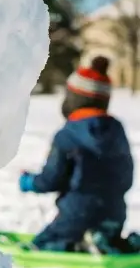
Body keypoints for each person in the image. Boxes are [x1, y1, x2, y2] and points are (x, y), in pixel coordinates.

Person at [20, 56, 134, 252]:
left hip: (76, 213)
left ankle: (74, 243)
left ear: (74, 99)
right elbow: (127, 175)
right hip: (115, 213)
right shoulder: (117, 130)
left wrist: (30, 182)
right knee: (108, 235)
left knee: (42, 245)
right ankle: (104, 240)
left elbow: (52, 178)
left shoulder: (67, 135)